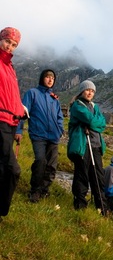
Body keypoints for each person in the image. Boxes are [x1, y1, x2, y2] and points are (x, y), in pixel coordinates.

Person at [16, 69, 64, 203]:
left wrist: (60, 130)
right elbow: (22, 112)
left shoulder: (54, 98)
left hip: (53, 136)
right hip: (38, 135)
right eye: (47, 77)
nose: (50, 80)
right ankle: (35, 190)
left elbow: (60, 117)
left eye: (52, 78)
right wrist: (19, 130)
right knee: (40, 161)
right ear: (42, 78)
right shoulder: (32, 93)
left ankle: (44, 190)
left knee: (52, 165)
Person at [67, 80, 108, 215]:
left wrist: (93, 123)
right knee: (82, 175)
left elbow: (102, 123)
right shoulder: (77, 106)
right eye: (87, 90)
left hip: (95, 145)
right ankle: (80, 205)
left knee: (98, 177)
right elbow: (90, 120)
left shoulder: (94, 107)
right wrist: (93, 123)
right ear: (81, 91)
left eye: (92, 91)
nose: (90, 93)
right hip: (83, 145)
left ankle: (102, 207)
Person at [0, 27, 27, 220]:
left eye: (14, 44)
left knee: (3, 168)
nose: (10, 46)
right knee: (12, 169)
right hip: (0, 121)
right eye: (7, 41)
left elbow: (12, 96)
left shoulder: (10, 68)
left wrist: (20, 109)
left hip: (10, 122)